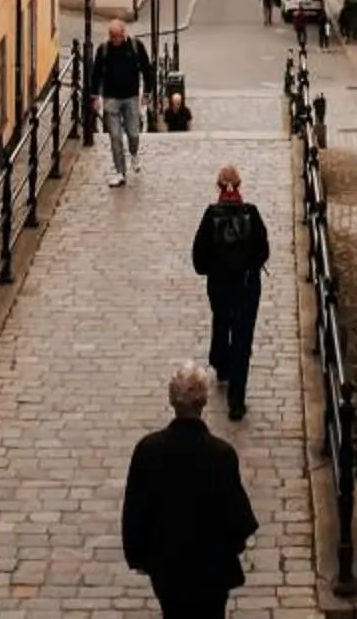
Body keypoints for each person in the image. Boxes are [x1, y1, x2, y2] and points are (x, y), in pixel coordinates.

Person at [122, 364, 258, 619]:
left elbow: (134, 512)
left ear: (172, 400)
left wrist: (141, 557)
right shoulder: (221, 455)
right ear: (203, 401)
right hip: (211, 569)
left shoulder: (148, 450)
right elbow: (238, 519)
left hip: (167, 567)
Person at [189, 166, 271, 419]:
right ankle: (236, 400)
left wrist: (213, 269)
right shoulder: (252, 213)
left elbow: (199, 256)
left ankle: (221, 362)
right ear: (240, 185)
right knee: (242, 338)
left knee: (222, 318)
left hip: (219, 284)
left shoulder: (211, 215)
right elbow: (263, 250)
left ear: (218, 187)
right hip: (247, 286)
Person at [90, 18, 158, 186]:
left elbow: (147, 69)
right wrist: (94, 96)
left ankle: (134, 154)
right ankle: (120, 172)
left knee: (133, 133)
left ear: (124, 34)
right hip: (111, 98)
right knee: (115, 137)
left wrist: (148, 92)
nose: (115, 40)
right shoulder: (104, 50)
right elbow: (96, 73)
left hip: (131, 97)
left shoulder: (135, 47)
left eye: (118, 36)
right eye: (112, 37)